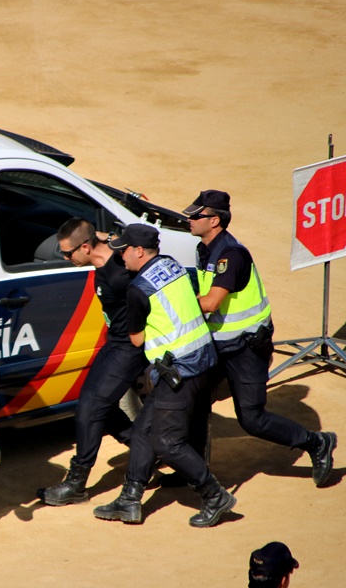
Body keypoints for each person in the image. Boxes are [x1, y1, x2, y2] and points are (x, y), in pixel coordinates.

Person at [183, 190, 337, 486]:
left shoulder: (231, 254)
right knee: (193, 402)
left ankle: (316, 443)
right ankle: (192, 469)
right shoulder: (205, 248)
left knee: (251, 418)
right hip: (219, 344)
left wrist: (174, 303)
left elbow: (211, 302)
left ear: (214, 220)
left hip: (245, 348)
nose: (189, 219)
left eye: (196, 216)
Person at [92, 224, 237, 528]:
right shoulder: (173, 264)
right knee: (144, 431)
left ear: (139, 251)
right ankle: (130, 500)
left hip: (178, 372)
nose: (121, 257)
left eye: (124, 251)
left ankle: (214, 495)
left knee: (167, 442)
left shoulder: (137, 289)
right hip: (204, 363)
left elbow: (135, 339)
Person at [37, 218, 149, 506]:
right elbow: (103, 236)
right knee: (95, 403)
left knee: (90, 408)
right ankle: (146, 448)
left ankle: (76, 483)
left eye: (68, 253)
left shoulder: (120, 272)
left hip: (129, 347)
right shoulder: (105, 248)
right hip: (113, 344)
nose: (65, 258)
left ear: (85, 247)